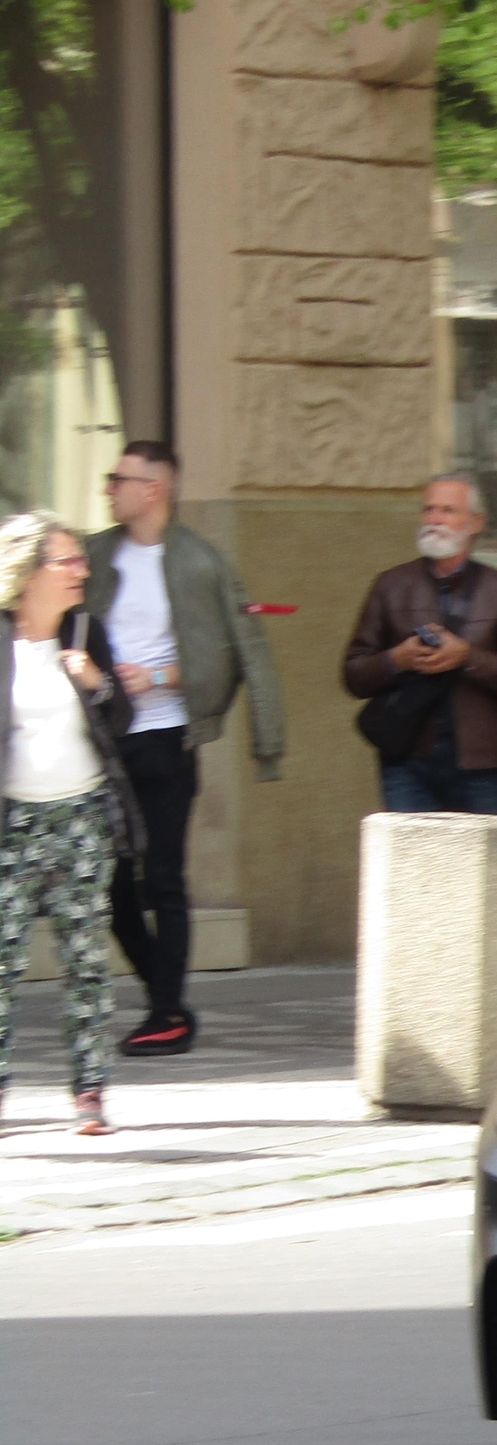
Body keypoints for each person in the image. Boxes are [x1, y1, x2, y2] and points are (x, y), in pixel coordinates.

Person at [82, 440, 287, 1057]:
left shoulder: (200, 561)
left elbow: (236, 652)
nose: (109, 488)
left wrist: (162, 678)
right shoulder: (95, 554)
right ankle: (167, 1001)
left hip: (169, 738)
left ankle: (166, 1014)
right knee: (111, 887)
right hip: (106, 744)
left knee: (164, 878)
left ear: (155, 490)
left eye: (121, 479)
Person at [0, 514, 139, 1136]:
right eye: (68, 561)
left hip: (80, 817)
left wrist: (98, 684)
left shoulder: (88, 633)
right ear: (30, 574)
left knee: (84, 958)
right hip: (11, 822)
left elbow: (124, 720)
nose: (82, 570)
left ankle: (90, 1091)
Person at [342, 476, 497, 813]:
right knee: (411, 866)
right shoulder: (391, 585)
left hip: (484, 765)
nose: (434, 519)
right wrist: (398, 659)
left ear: (475, 523)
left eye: (448, 511)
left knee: (482, 867)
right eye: (429, 510)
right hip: (407, 762)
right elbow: (353, 674)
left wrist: (467, 657)